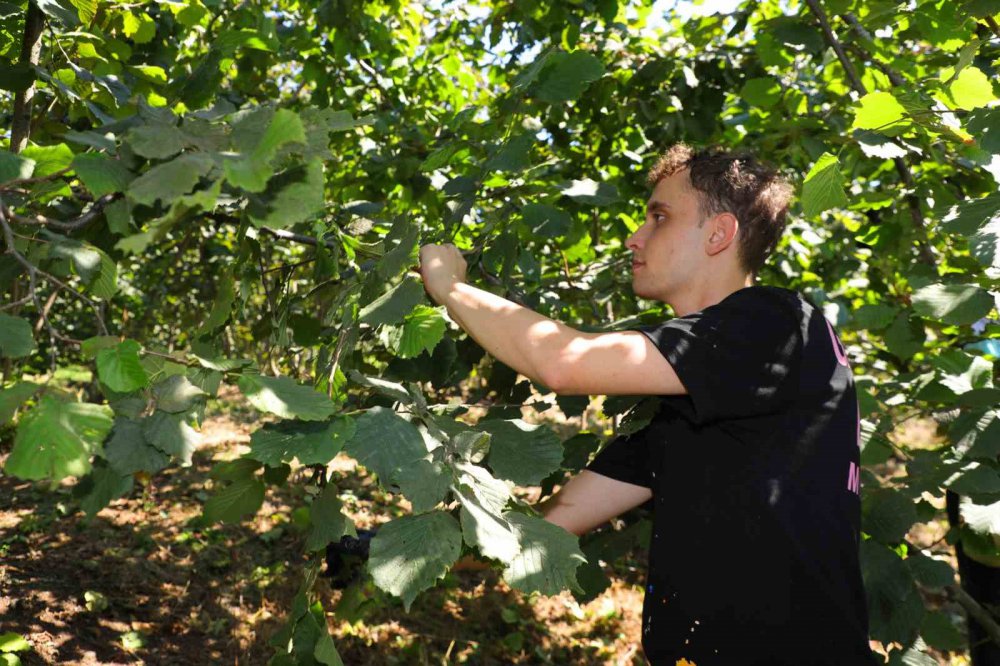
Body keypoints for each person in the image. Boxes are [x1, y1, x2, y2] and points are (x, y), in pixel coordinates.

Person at [414, 142, 874, 665]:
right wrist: (404, 549)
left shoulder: (777, 324)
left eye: (659, 217)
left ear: (720, 234)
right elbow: (551, 524)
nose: (635, 237)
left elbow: (563, 362)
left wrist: (450, 287)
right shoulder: (690, 402)